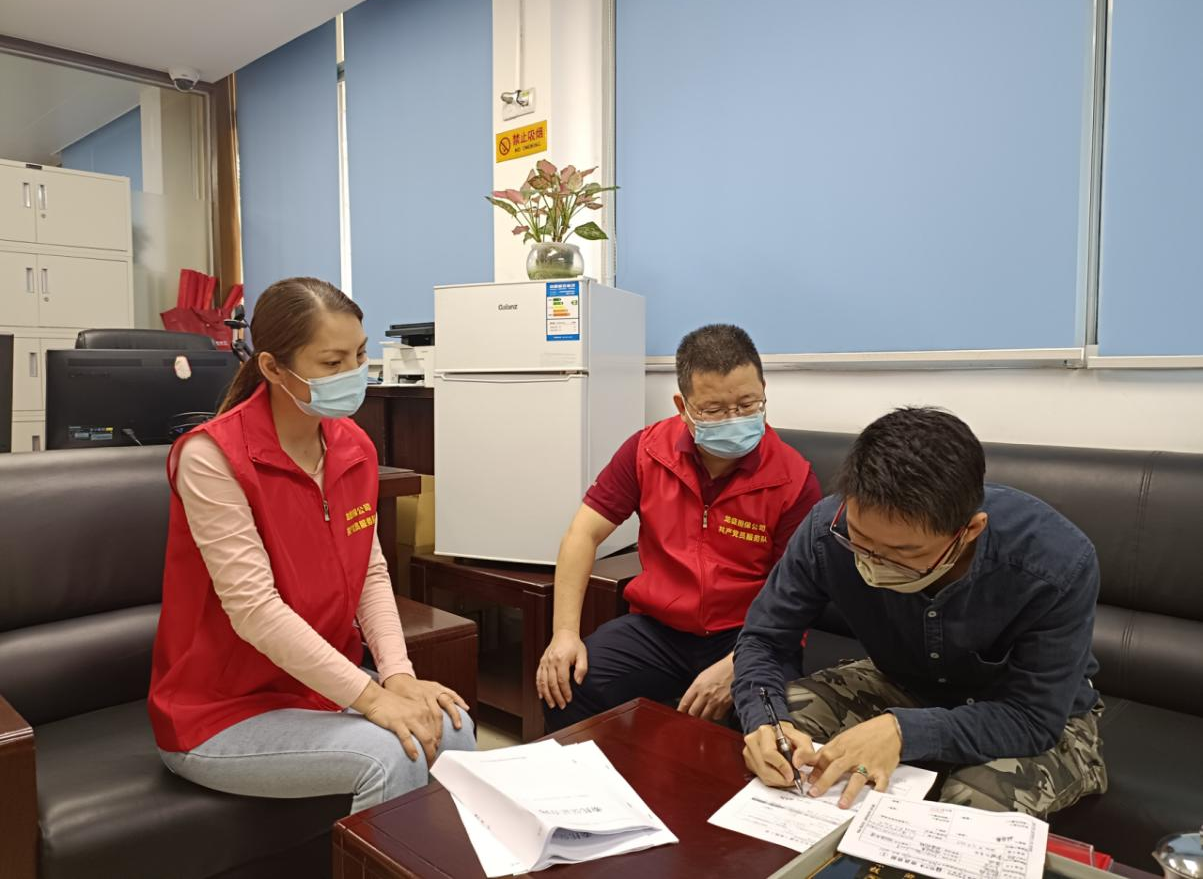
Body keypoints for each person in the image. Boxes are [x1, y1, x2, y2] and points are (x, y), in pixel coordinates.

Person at [149, 277, 475, 813]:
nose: (353, 373)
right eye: (332, 362)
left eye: (360, 355)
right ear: (274, 368)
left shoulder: (354, 447)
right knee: (394, 755)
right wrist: (372, 698)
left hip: (318, 688)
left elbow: (369, 573)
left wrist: (398, 676)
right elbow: (255, 611)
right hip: (220, 711)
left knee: (453, 727)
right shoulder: (212, 458)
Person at [735, 407, 1107, 817]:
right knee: (786, 734)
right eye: (860, 540)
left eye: (904, 553)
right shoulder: (827, 529)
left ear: (970, 530)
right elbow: (765, 640)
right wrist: (766, 722)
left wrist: (903, 731)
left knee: (973, 804)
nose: (874, 562)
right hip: (901, 683)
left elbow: (1033, 717)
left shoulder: (1055, 562)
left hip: (1023, 712)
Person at [538, 324, 822, 731]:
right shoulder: (647, 451)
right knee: (569, 681)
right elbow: (582, 534)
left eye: (747, 404)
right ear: (682, 406)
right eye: (714, 410)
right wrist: (564, 633)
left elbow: (794, 596)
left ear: (763, 391)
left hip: (750, 635)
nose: (734, 418)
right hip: (659, 630)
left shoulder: (793, 479)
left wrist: (739, 662)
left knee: (766, 721)